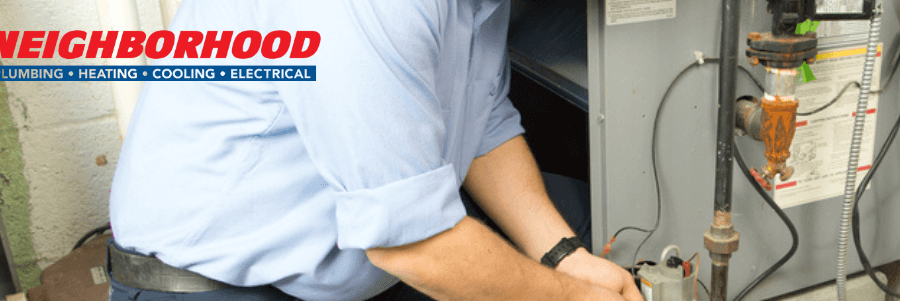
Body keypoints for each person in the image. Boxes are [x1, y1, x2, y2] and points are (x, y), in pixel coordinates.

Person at [106, 1, 640, 300]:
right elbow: (414, 246)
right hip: (209, 287)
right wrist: (570, 300)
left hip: (351, 265)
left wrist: (564, 258)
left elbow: (482, 125)